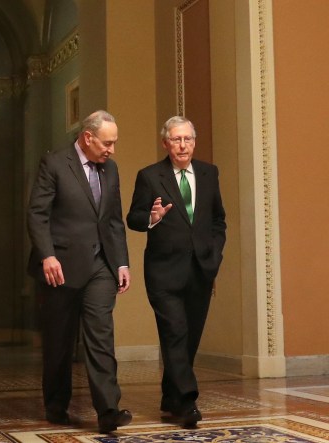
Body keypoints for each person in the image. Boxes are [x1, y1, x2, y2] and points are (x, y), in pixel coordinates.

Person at [27, 110, 132, 434]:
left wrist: (121, 262)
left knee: (101, 336)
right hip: (59, 267)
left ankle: (108, 410)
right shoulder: (55, 163)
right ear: (88, 137)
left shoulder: (110, 170)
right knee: (59, 342)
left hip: (100, 266)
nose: (111, 149)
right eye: (107, 142)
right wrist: (47, 256)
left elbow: (113, 220)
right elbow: (37, 213)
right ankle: (56, 405)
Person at [126, 116, 226, 428]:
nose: (182, 145)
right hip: (163, 273)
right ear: (165, 143)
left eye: (187, 139)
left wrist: (215, 254)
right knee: (175, 334)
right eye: (176, 139)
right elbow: (133, 217)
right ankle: (187, 402)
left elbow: (218, 220)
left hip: (201, 271)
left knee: (189, 339)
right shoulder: (150, 176)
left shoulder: (210, 173)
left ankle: (170, 398)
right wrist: (152, 218)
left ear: (194, 142)